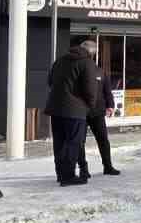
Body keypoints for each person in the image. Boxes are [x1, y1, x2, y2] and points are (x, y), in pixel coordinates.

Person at [46, 37, 104, 186]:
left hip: (56, 108)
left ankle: (60, 174)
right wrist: (89, 106)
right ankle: (68, 176)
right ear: (92, 52)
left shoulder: (59, 61)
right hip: (75, 110)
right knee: (73, 143)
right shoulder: (87, 62)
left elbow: (50, 81)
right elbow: (91, 88)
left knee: (59, 143)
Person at [76, 63, 121, 180]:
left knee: (103, 140)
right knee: (80, 141)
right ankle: (83, 170)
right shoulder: (77, 70)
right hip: (81, 112)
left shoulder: (100, 72)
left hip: (98, 112)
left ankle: (108, 166)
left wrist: (110, 105)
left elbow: (107, 91)